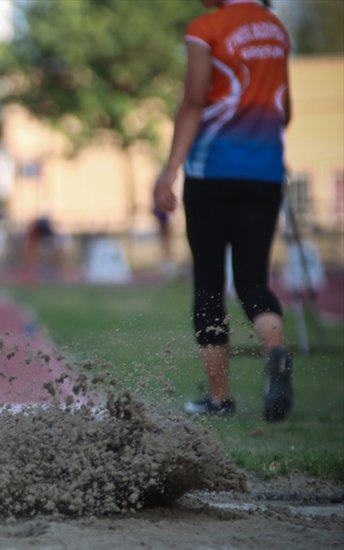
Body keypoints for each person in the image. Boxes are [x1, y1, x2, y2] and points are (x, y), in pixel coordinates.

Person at [153, 0, 292, 422]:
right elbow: (287, 111)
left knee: (210, 284)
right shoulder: (275, 28)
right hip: (265, 171)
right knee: (252, 278)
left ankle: (220, 399)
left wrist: (170, 168)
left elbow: (194, 100)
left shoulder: (206, 27)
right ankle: (277, 351)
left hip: (211, 169)